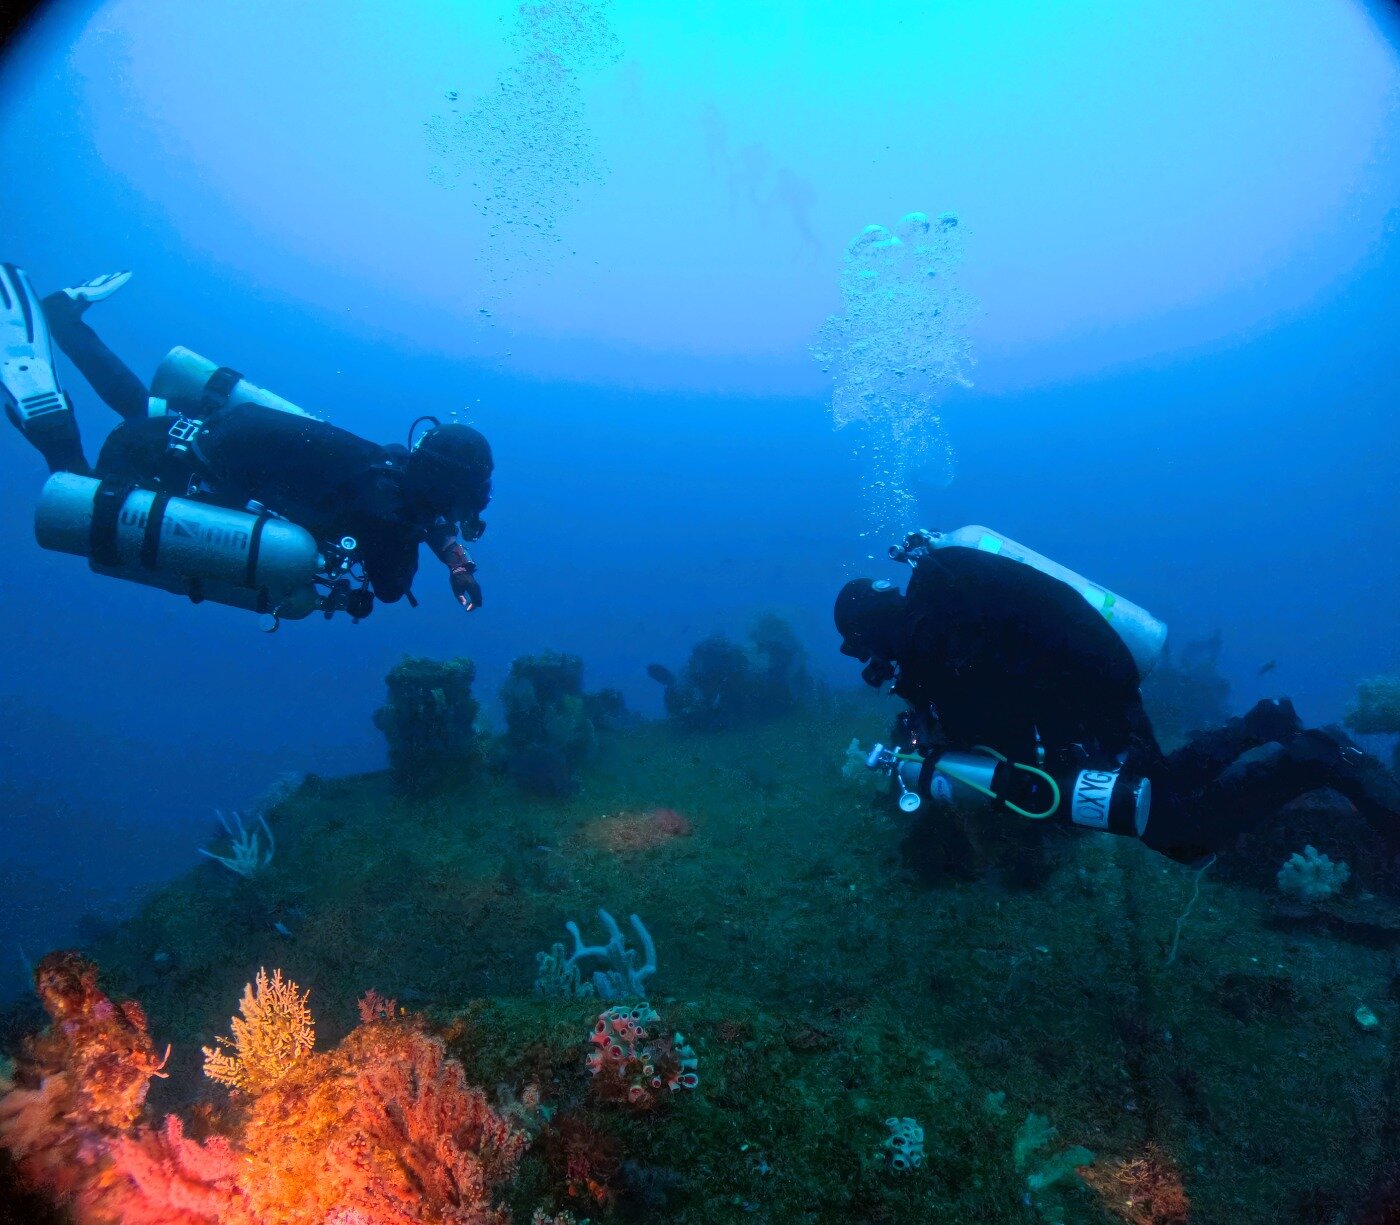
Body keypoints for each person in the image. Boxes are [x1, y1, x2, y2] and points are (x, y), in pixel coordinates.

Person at [834, 542, 1400, 866]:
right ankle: (1261, 723)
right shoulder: (939, 601)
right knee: (1157, 784)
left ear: (870, 630)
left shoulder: (929, 637)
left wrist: (934, 737)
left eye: (861, 649)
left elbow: (994, 732)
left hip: (1090, 692)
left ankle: (1314, 757)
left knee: (1177, 831)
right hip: (1097, 673)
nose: (871, 664)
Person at [1, 264, 490, 611]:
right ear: (444, 490)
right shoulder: (386, 517)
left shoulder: (391, 464)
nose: (460, 512)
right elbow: (389, 587)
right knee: (77, 487)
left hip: (181, 433)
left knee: (139, 411)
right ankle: (40, 399)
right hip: (168, 468)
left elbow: (420, 513)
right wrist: (436, 546)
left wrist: (456, 561)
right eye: (462, 500)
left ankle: (64, 320)